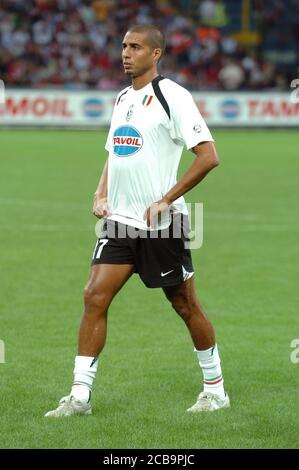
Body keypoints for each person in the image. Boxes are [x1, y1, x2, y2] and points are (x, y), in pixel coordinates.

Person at [45, 24, 230, 417]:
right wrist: (100, 192)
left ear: (156, 54)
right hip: (120, 221)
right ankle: (80, 396)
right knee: (94, 295)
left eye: (135, 47)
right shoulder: (123, 98)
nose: (126, 53)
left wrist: (167, 199)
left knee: (185, 305)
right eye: (124, 45)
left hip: (164, 225)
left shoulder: (172, 96)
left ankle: (215, 390)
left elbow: (208, 155)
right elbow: (116, 151)